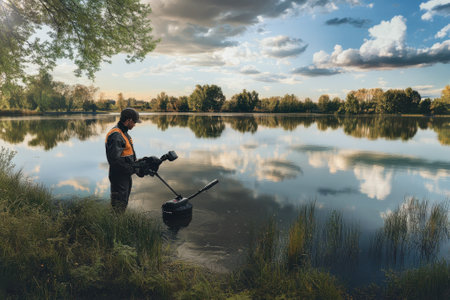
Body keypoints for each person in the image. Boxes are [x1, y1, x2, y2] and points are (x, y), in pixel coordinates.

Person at [105, 108, 145, 213]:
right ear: (129, 120)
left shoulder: (124, 133)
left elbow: (127, 156)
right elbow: (114, 161)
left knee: (122, 204)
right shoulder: (116, 135)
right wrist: (132, 168)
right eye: (135, 122)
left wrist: (138, 167)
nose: (135, 124)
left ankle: (117, 225)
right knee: (118, 206)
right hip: (119, 177)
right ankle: (114, 227)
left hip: (125, 175)